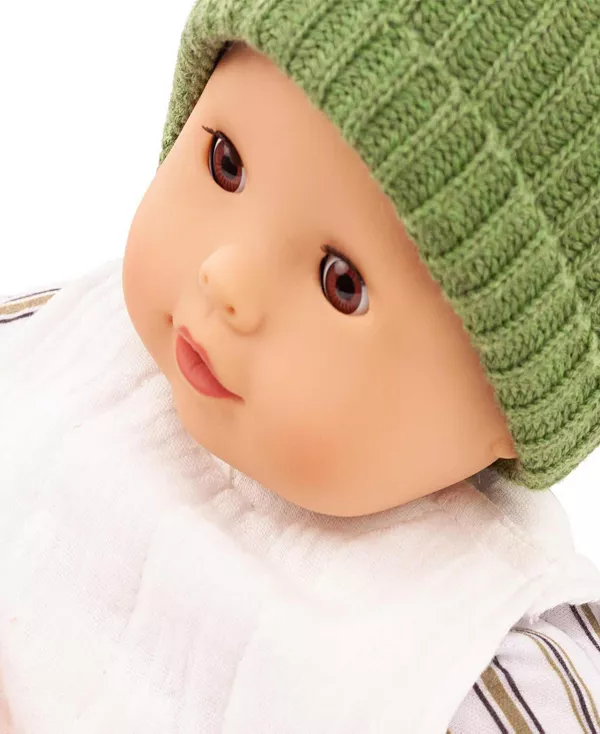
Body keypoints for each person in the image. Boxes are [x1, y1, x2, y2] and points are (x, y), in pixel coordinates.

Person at [1, 1, 600, 731]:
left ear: (516, 408)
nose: (225, 275)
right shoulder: (64, 354)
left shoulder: (476, 659)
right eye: (226, 164)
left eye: (340, 282)